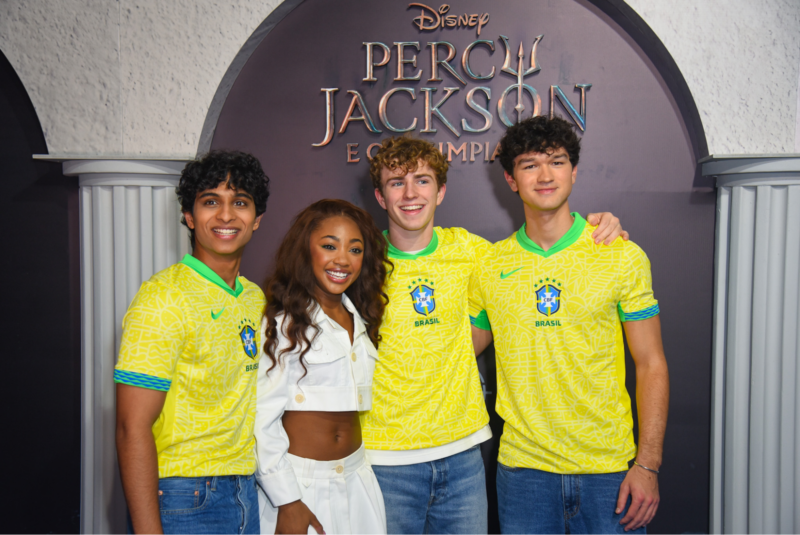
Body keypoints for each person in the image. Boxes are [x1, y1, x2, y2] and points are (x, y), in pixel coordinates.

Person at [359, 135, 629, 534]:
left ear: (442, 190)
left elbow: (537, 254)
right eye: (397, 183)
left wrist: (602, 223)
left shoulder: (476, 253)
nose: (410, 193)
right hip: (384, 461)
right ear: (381, 198)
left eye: (422, 180)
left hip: (463, 458)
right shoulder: (359, 264)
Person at [469, 115, 670, 534]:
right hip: (525, 475)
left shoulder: (620, 254)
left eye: (557, 162)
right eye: (529, 164)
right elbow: (462, 350)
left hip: (610, 473)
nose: (545, 175)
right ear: (510, 178)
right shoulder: (488, 266)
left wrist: (647, 464)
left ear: (574, 172)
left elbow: (651, 363)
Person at [114, 150, 270, 534]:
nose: (226, 215)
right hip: (185, 497)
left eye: (241, 203)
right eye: (210, 202)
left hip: (247, 491)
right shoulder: (162, 298)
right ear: (189, 215)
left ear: (257, 220)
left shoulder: (255, 298)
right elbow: (131, 427)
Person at [255, 199, 390, 535]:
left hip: (358, 478)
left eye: (355, 249)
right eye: (329, 246)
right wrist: (287, 500)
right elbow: (261, 420)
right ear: (306, 251)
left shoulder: (362, 320)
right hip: (300, 487)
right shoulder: (282, 324)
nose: (342, 259)